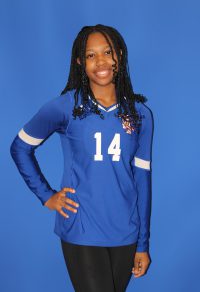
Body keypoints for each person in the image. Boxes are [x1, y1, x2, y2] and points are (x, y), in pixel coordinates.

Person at [10, 24, 154, 292]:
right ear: (79, 62)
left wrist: (143, 243)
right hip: (82, 228)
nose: (101, 61)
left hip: (125, 231)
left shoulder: (140, 114)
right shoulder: (66, 106)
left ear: (119, 55)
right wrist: (46, 195)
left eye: (107, 52)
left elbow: (142, 180)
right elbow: (20, 147)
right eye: (90, 55)